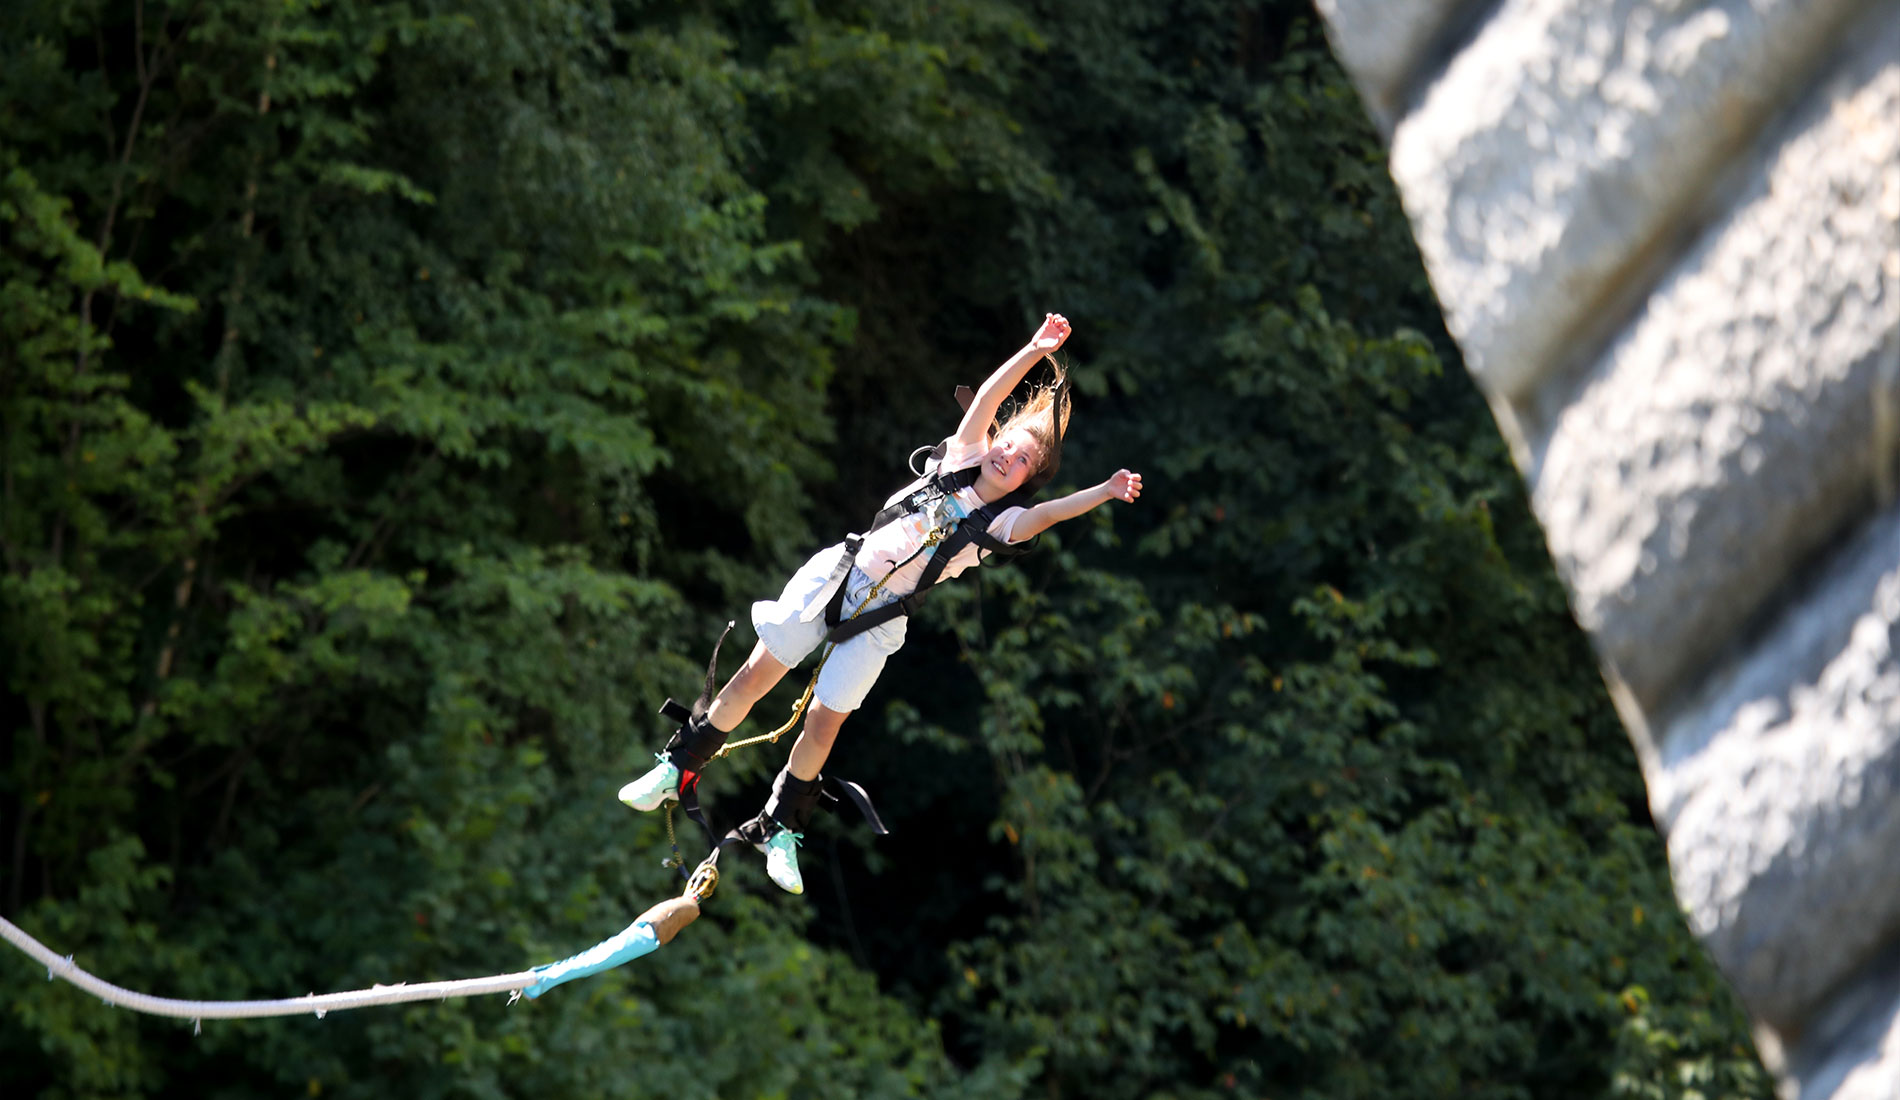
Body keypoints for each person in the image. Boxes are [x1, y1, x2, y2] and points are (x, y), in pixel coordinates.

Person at [618, 313, 1143, 894]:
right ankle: (680, 765)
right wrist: (1033, 351)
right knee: (755, 675)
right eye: (1008, 446)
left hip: (880, 619)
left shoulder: (1006, 523)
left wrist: (1103, 492)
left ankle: (778, 827)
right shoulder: (961, 457)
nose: (1007, 459)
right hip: (841, 575)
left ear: (1026, 479)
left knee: (824, 722)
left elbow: (1050, 513)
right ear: (994, 441)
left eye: (1022, 461)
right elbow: (989, 400)